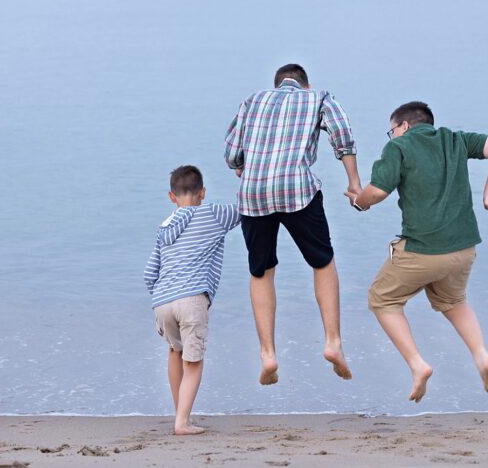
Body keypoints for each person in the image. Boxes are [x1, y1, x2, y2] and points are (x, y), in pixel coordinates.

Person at [350, 101, 488, 403]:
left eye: (392, 130)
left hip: (422, 251)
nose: (392, 136)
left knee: (382, 299)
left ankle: (417, 364)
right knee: (453, 300)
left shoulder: (398, 147)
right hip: (463, 250)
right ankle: (482, 357)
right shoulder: (455, 139)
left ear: (404, 126)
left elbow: (378, 191)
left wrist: (360, 200)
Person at [224, 63, 362, 385]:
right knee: (323, 262)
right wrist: (354, 183)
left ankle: (268, 354)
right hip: (297, 189)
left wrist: (245, 166)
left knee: (261, 271)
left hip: (253, 195)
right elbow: (343, 135)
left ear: (276, 85)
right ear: (305, 83)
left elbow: (232, 154)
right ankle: (332, 343)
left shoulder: (252, 101)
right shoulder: (318, 98)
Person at [144, 165, 241, 435]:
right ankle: (182, 422)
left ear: (171, 197)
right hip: (192, 298)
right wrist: (245, 173)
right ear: (203, 192)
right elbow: (246, 207)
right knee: (193, 362)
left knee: (175, 351)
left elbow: (149, 273)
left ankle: (180, 413)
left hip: (163, 300)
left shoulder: (163, 229)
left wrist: (162, 293)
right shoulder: (212, 213)